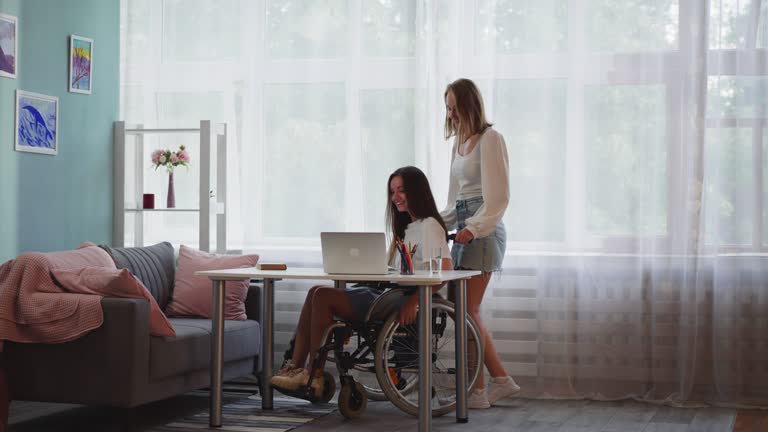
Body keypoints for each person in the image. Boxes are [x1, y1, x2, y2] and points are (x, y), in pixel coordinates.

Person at [270, 166, 453, 398]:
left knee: (322, 296)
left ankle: (313, 374)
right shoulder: (409, 227)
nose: (395, 197)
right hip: (389, 292)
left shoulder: (429, 226)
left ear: (417, 191)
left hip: (402, 298)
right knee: (315, 291)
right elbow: (401, 270)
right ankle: (293, 370)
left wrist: (415, 302)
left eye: (401, 190)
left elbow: (445, 271)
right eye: (392, 191)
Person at [440, 78, 520, 409]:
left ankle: (487, 386)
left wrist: (473, 228)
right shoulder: (459, 144)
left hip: (483, 231)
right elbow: (454, 200)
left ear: (469, 105)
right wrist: (428, 220)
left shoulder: (491, 140)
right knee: (463, 312)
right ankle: (489, 384)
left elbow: (498, 199)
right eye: (447, 107)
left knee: (468, 310)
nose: (450, 114)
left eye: (454, 107)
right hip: (463, 227)